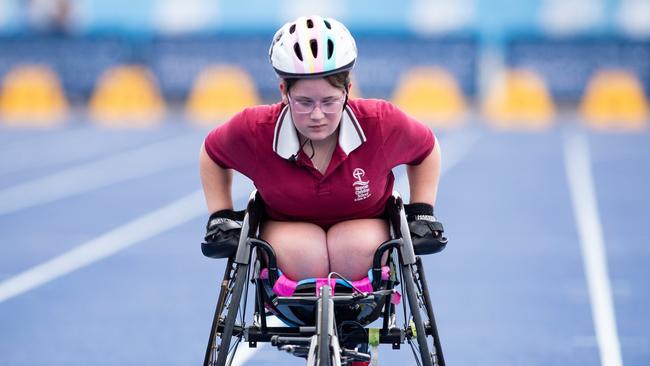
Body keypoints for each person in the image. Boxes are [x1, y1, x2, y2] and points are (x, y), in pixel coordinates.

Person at [200, 15, 446, 282]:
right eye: (304, 102)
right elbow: (213, 153)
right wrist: (221, 215)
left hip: (363, 238)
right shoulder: (256, 128)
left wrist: (422, 210)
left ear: (347, 90)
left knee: (354, 248)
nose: (317, 115)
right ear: (284, 92)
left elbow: (426, 149)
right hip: (289, 234)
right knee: (306, 254)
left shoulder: (381, 123)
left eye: (329, 101)